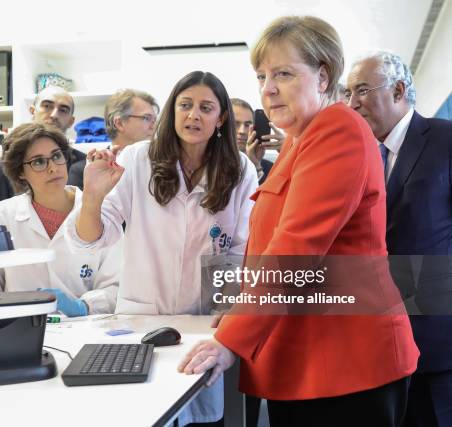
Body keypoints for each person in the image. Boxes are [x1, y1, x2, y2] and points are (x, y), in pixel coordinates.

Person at [179, 16, 419, 427]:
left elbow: (296, 248)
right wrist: (241, 309)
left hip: (347, 364)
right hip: (311, 361)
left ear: (323, 77)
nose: (267, 89)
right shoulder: (299, 139)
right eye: (261, 76)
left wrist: (233, 337)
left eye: (283, 74)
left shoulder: (337, 129)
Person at [65, 71, 258, 424]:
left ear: (221, 118)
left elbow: (243, 248)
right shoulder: (138, 159)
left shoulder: (239, 168)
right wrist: (92, 196)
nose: (193, 115)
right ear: (172, 111)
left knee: (200, 410)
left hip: (204, 320)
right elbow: (91, 238)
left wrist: (231, 303)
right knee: (145, 413)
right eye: (185, 105)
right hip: (143, 318)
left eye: (205, 107)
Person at [347, 51, 452, 427]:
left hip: (436, 345)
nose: (352, 102)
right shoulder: (358, 155)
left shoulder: (445, 140)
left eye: (361, 89)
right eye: (348, 92)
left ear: (398, 89)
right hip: (373, 345)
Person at [0, 123, 119, 316]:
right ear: (20, 172)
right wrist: (15, 308)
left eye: (56, 156)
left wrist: (83, 307)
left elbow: (116, 287)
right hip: (21, 332)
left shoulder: (102, 211)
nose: (53, 168)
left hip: (86, 332)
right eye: (38, 162)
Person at [0, 86, 87, 207]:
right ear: (33, 111)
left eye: (63, 110)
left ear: (71, 121)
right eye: (47, 106)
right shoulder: (5, 164)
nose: (54, 115)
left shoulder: (85, 166)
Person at [231, 98, 285, 183]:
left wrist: (290, 151)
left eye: (247, 124)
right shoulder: (207, 164)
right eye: (235, 124)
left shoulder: (270, 169)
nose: (242, 131)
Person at [104, 89, 159, 153]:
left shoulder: (158, 160)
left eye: (154, 120)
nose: (154, 126)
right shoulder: (99, 162)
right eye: (147, 118)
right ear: (120, 123)